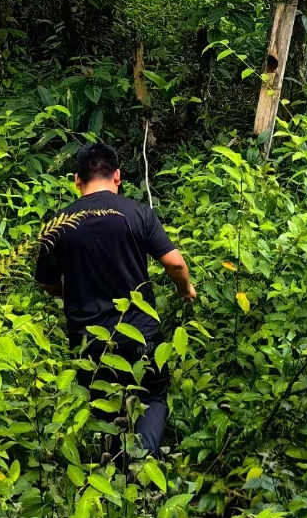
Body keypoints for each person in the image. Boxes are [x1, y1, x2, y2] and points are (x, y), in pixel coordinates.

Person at [34, 141, 195, 457]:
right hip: (140, 335)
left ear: (77, 180)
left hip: (89, 341)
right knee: (152, 397)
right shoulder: (137, 213)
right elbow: (175, 263)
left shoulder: (59, 224)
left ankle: (113, 472)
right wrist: (184, 290)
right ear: (117, 176)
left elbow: (46, 281)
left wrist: (75, 291)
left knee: (104, 408)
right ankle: (142, 465)